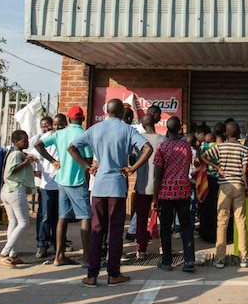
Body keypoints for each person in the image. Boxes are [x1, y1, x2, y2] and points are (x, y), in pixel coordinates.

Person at [72, 99, 152, 287]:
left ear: (106, 112)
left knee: (96, 229)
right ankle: (113, 274)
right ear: (123, 114)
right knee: (114, 231)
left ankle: (92, 275)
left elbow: (72, 147)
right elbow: (148, 148)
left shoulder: (94, 129)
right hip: (117, 185)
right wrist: (132, 168)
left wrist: (87, 165)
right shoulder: (127, 130)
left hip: (99, 186)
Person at [35, 106, 92, 266]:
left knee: (62, 217)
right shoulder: (84, 135)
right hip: (77, 180)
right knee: (85, 216)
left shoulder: (59, 133)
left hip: (61, 180)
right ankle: (87, 258)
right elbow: (88, 159)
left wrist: (52, 160)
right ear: (83, 118)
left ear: (68, 118)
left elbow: (38, 145)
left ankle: (59, 256)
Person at [201, 120, 248, 268]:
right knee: (240, 222)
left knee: (221, 222)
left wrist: (217, 167)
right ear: (239, 133)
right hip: (239, 186)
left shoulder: (220, 147)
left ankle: (220, 258)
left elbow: (203, 157)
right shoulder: (244, 149)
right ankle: (244, 257)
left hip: (224, 186)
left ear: (226, 134)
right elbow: (244, 171)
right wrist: (246, 187)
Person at [153, 117, 194, 272]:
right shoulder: (186, 147)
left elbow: (157, 174)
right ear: (179, 130)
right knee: (186, 225)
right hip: (183, 190)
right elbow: (188, 164)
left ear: (166, 129)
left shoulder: (162, 148)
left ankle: (167, 261)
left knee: (165, 226)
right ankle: (189, 260)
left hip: (166, 192)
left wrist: (154, 197)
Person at [0, 130, 36, 267]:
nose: (27, 142)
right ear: (16, 142)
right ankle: (3, 253)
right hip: (15, 191)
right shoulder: (16, 155)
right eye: (24, 140)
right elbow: (11, 171)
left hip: (8, 191)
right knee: (24, 222)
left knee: (13, 222)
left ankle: (12, 254)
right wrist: (27, 162)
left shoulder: (18, 154)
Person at [131, 113, 165, 258]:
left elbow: (132, 161)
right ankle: (164, 247)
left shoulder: (138, 140)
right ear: (155, 123)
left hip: (142, 185)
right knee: (163, 218)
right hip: (160, 186)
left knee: (141, 218)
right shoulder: (163, 140)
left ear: (143, 125)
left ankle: (141, 249)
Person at [32, 116, 59, 259]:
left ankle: (58, 242)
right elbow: (35, 156)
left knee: (59, 217)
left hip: (61, 184)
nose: (54, 127)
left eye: (59, 124)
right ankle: (42, 244)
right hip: (47, 184)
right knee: (45, 216)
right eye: (54, 124)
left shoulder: (64, 137)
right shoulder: (45, 139)